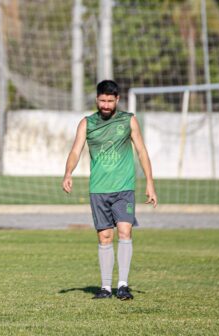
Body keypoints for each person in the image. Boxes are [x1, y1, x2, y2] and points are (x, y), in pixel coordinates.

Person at [61, 79, 157, 300]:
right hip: (99, 189)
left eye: (109, 101)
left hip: (124, 188)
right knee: (105, 236)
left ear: (117, 100)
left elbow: (142, 152)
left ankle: (122, 285)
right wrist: (68, 173)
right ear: (96, 99)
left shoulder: (129, 121)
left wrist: (150, 184)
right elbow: (75, 151)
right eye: (102, 100)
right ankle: (105, 288)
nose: (105, 105)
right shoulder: (87, 123)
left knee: (125, 231)